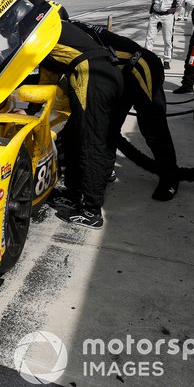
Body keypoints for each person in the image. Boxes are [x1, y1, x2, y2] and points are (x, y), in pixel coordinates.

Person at [70, 18, 179, 201]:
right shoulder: (70, 26)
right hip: (119, 72)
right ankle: (105, 169)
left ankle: (170, 179)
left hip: (141, 66)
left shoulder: (63, 32)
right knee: (108, 125)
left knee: (153, 129)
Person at [42, 12, 124, 228]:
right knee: (74, 136)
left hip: (92, 77)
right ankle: (73, 193)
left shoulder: (41, 32)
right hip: (107, 73)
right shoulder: (62, 29)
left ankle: (91, 210)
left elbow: (45, 77)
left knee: (90, 143)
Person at [144, 0, 182, 70]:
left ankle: (166, 59)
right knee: (149, 38)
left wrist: (172, 13)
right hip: (155, 15)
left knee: (167, 39)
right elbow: (153, 0)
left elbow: (179, 3)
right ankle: (147, 57)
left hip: (168, 16)